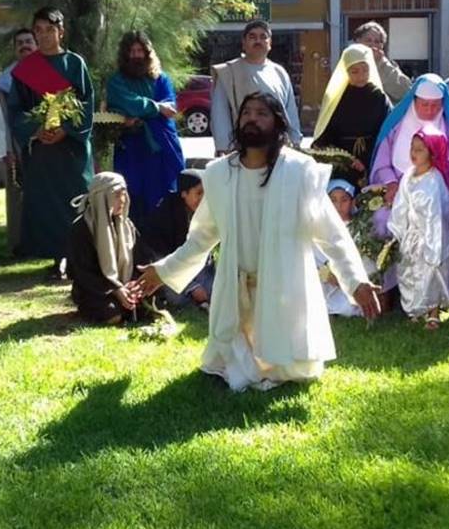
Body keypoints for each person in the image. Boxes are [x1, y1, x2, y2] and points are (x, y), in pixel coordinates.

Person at [135, 92, 380, 392]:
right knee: (232, 367)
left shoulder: (299, 172)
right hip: (236, 287)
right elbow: (201, 238)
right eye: (246, 112)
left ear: (277, 123)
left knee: (287, 368)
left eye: (262, 113)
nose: (252, 118)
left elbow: (332, 235)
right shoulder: (219, 174)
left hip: (285, 290)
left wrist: (356, 282)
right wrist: (163, 270)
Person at [7, 7, 95, 270]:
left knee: (74, 200)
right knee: (46, 204)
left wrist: (65, 129)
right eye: (39, 31)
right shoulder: (26, 68)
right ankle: (56, 257)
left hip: (70, 149)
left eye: (49, 30)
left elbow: (86, 101)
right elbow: (15, 108)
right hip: (42, 150)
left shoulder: (74, 63)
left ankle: (77, 255)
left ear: (61, 31)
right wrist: (37, 130)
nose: (44, 36)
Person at [369, 73, 449, 237]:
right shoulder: (397, 127)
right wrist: (391, 183)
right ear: (414, 102)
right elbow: (382, 163)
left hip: (437, 196)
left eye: (436, 105)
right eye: (425, 105)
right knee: (382, 220)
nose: (430, 110)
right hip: (398, 190)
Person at [106, 30, 185, 225]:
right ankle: (136, 242)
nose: (136, 55)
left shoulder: (161, 79)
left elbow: (170, 106)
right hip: (132, 147)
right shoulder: (117, 80)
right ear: (125, 55)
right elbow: (125, 102)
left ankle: (168, 240)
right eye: (131, 51)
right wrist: (155, 107)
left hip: (160, 146)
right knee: (133, 194)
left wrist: (144, 111)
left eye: (140, 51)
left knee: (165, 193)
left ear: (147, 53)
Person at [389, 127, 449, 328]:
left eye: (420, 149)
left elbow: (436, 216)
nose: (413, 153)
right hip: (412, 233)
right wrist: (398, 231)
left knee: (430, 272)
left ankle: (433, 311)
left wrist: (433, 246)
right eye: (412, 148)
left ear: (432, 153)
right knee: (409, 270)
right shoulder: (408, 175)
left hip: (431, 235)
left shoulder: (434, 181)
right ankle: (416, 307)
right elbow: (401, 206)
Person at [210, 20, 302, 153]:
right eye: (252, 37)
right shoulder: (228, 72)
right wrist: (225, 148)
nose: (258, 41)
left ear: (270, 44)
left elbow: (290, 111)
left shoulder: (279, 72)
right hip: (242, 148)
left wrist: (295, 141)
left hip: (277, 148)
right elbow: (220, 113)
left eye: (263, 37)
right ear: (244, 43)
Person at [66, 172, 145, 323]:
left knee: (144, 307)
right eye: (116, 195)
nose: (122, 200)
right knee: (112, 314)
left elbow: (139, 259)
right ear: (101, 197)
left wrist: (132, 286)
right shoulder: (82, 228)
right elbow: (81, 271)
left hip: (124, 285)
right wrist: (115, 289)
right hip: (96, 290)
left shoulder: (127, 227)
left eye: (124, 194)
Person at [312, 43, 393, 187]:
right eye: (354, 71)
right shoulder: (336, 98)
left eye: (365, 70)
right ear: (346, 72)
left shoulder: (379, 96)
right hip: (342, 160)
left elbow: (387, 130)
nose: (361, 76)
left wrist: (369, 158)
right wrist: (345, 159)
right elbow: (326, 133)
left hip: (374, 155)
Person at [139, 169, 212, 309]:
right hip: (164, 267)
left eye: (205, 194)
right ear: (184, 193)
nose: (203, 199)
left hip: (193, 268)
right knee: (175, 296)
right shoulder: (165, 215)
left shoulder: (202, 213)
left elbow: (202, 252)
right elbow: (161, 256)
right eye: (199, 193)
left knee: (216, 288)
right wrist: (192, 286)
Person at [0, 27, 37, 255]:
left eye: (29, 41)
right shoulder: (6, 80)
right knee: (19, 195)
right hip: (17, 145)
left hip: (48, 142)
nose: (24, 45)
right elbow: (2, 118)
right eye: (19, 42)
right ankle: (20, 244)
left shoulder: (49, 70)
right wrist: (7, 149)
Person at [317, 179, 376, 317]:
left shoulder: (360, 229)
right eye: (333, 200)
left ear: (352, 202)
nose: (338, 205)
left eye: (344, 200)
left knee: (349, 307)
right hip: (327, 281)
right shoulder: (321, 228)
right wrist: (326, 273)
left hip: (350, 282)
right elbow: (315, 256)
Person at [353, 21, 412, 103]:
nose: (372, 45)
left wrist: (380, 63)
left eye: (377, 42)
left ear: (382, 46)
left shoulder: (388, 65)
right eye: (368, 40)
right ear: (358, 41)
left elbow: (406, 92)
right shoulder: (348, 64)